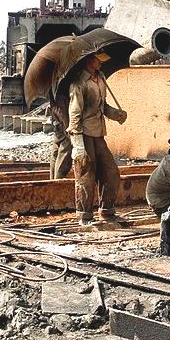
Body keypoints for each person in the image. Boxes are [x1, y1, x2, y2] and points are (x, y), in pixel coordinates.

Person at [67, 51, 128, 225]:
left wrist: (116, 114)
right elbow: (75, 114)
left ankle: (107, 211)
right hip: (84, 134)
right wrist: (78, 144)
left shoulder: (100, 78)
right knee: (86, 175)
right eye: (98, 60)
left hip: (99, 133)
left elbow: (103, 106)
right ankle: (84, 215)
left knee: (111, 172)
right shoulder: (78, 84)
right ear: (89, 60)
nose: (101, 63)